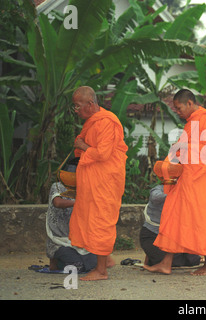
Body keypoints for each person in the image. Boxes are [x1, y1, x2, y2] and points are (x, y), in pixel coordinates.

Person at [144, 89, 206, 276]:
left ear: (190, 103)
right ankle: (166, 263)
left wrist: (184, 147)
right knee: (174, 217)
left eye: (179, 108)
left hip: (201, 179)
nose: (177, 112)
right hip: (185, 177)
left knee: (202, 219)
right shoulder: (192, 123)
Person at [68, 86, 128, 280]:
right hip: (94, 179)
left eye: (77, 106)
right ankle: (106, 259)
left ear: (90, 104)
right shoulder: (93, 122)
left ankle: (101, 270)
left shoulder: (106, 122)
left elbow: (102, 153)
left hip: (105, 180)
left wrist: (82, 145)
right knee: (91, 218)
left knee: (101, 220)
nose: (75, 110)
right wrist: (82, 142)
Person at [140, 184, 201, 267]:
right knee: (171, 261)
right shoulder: (159, 189)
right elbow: (155, 197)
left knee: (193, 260)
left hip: (172, 238)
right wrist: (175, 194)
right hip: (152, 235)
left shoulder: (185, 191)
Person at [46, 182, 97, 272]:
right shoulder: (57, 186)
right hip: (60, 241)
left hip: (80, 241)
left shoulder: (84, 186)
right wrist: (78, 202)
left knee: (94, 265)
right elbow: (57, 202)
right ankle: (55, 261)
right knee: (76, 267)